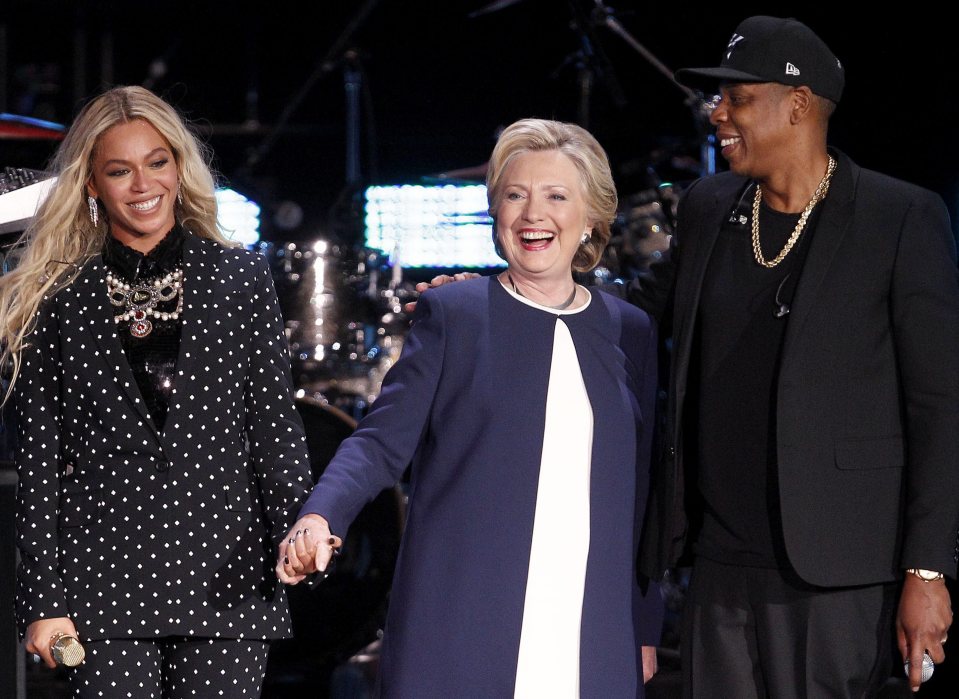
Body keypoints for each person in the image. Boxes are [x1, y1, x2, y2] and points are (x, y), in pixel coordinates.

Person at [626, 15, 958, 698]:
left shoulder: (897, 217)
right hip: (716, 563)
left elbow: (938, 405)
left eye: (737, 99)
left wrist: (926, 569)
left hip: (836, 571)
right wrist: (504, 299)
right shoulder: (707, 206)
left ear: (797, 104)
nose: (716, 114)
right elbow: (627, 314)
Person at [277, 117, 664, 697]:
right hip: (459, 631)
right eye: (515, 196)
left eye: (556, 196)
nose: (534, 214)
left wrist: (643, 626)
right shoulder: (455, 313)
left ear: (590, 219)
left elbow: (643, 495)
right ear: (495, 215)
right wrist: (320, 515)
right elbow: (380, 442)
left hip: (591, 637)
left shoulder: (630, 330)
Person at [1, 85, 315, 696]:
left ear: (179, 166)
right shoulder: (55, 298)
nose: (143, 184)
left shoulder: (241, 278)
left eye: (157, 162)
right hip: (102, 585)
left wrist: (301, 533)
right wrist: (43, 596)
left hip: (228, 579)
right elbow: (39, 462)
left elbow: (275, 431)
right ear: (92, 183)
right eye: (120, 170)